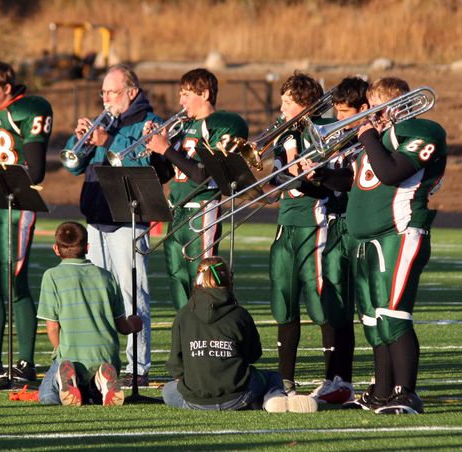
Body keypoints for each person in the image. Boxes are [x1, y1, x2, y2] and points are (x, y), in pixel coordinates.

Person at [63, 64, 170, 386]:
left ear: (132, 93)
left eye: (112, 92)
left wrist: (107, 140)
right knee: (99, 295)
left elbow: (142, 165)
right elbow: (73, 166)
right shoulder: (106, 122)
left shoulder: (148, 123)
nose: (106, 98)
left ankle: (137, 365)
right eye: (104, 92)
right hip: (96, 219)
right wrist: (80, 139)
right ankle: (102, 362)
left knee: (132, 296)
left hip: (129, 220)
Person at [344, 77, 447, 414]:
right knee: (374, 320)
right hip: (369, 239)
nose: (369, 115)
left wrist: (369, 135)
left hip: (401, 233)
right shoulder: (377, 141)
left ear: (392, 106)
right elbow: (360, 181)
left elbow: (391, 173)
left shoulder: (422, 131)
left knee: (393, 315)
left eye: (375, 107)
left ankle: (407, 393)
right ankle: (382, 390)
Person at [0, 60, 53, 382]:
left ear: (7, 86)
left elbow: (35, 171)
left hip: (17, 204)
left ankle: (25, 361)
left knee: (13, 282)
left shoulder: (30, 108)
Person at [145, 68, 248, 311]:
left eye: (186, 94)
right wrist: (156, 150)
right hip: (176, 211)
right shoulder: (183, 127)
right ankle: (185, 335)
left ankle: (204, 337)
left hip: (201, 210)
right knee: (177, 282)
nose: (180, 101)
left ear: (205, 93)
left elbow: (203, 174)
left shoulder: (220, 124)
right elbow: (166, 174)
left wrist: (166, 150)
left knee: (203, 282)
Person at [162, 255, 317, 412]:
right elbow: (253, 355)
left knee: (168, 390)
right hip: (238, 396)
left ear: (198, 279)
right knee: (273, 377)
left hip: (195, 400)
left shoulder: (183, 314)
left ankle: (263, 401)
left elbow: (176, 364)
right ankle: (272, 398)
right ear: (228, 280)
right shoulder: (240, 314)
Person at [268, 72, 334, 397]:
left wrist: (304, 176)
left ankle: (334, 379)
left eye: (288, 102)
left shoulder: (322, 132)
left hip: (314, 222)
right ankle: (285, 380)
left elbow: (328, 183)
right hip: (286, 223)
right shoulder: (284, 137)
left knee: (319, 300)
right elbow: (274, 183)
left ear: (306, 104)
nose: (281, 109)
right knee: (283, 299)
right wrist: (283, 173)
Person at [304, 76, 370, 404]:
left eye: (346, 112)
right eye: (338, 111)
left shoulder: (369, 140)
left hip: (357, 227)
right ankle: (336, 378)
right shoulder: (338, 138)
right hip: (333, 224)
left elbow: (350, 181)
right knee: (335, 305)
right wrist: (304, 179)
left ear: (363, 109)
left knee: (369, 306)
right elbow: (328, 185)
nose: (340, 119)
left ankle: (378, 381)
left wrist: (325, 175)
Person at [36, 222, 142, 406]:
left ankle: (78, 379)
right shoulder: (106, 276)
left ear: (56, 248)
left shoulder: (51, 276)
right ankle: (100, 379)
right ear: (87, 247)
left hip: (72, 355)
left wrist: (59, 352)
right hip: (106, 355)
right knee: (90, 396)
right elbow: (123, 327)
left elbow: (52, 326)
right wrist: (135, 323)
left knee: (47, 396)